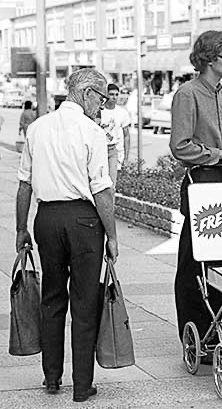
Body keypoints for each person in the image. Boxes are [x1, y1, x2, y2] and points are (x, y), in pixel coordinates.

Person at [15, 68, 118, 403]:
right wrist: (113, 236)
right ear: (87, 93)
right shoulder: (92, 131)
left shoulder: (37, 127)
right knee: (85, 303)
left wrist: (21, 229)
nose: (102, 106)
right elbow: (102, 190)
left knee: (52, 298)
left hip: (47, 219)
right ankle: (83, 385)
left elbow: (24, 184)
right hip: (84, 221)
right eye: (101, 98)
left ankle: (52, 378)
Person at [169, 30, 222, 357]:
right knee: (194, 261)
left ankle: (212, 330)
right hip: (201, 180)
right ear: (209, 59)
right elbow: (180, 146)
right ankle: (194, 334)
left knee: (221, 261)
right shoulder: (188, 93)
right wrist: (221, 155)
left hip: (221, 180)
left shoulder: (219, 92)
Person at [100, 83, 131, 187]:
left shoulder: (122, 113)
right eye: (111, 94)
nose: (114, 97)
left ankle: (111, 202)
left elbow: (126, 135)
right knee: (99, 183)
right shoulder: (99, 111)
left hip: (114, 150)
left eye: (116, 94)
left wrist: (126, 158)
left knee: (112, 184)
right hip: (100, 150)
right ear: (106, 95)